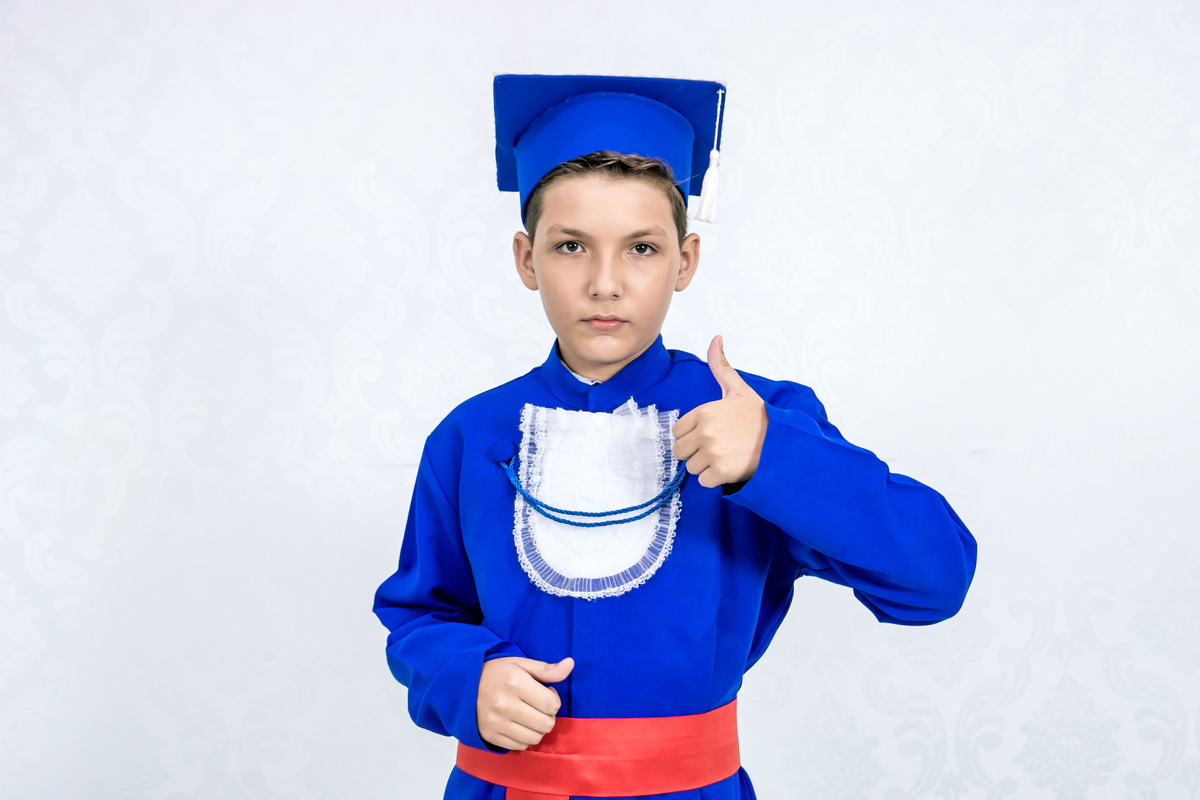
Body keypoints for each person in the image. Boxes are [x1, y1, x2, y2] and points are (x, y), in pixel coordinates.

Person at [373, 73, 978, 800]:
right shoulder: (470, 437)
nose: (605, 283)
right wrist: (465, 677)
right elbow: (420, 614)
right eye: (570, 246)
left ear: (684, 260)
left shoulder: (754, 419)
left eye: (641, 249)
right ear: (525, 259)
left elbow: (937, 579)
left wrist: (770, 458)